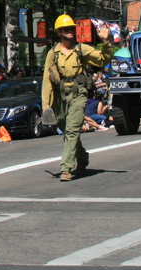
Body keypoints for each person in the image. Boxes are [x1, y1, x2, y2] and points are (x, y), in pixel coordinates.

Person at [40, 14, 114, 182]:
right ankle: (82, 158)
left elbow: (104, 58)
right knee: (67, 130)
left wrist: (105, 41)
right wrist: (46, 105)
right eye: (66, 29)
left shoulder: (82, 49)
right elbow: (47, 81)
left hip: (78, 94)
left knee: (73, 130)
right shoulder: (53, 54)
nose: (70, 31)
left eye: (72, 28)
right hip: (60, 97)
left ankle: (66, 168)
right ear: (59, 32)